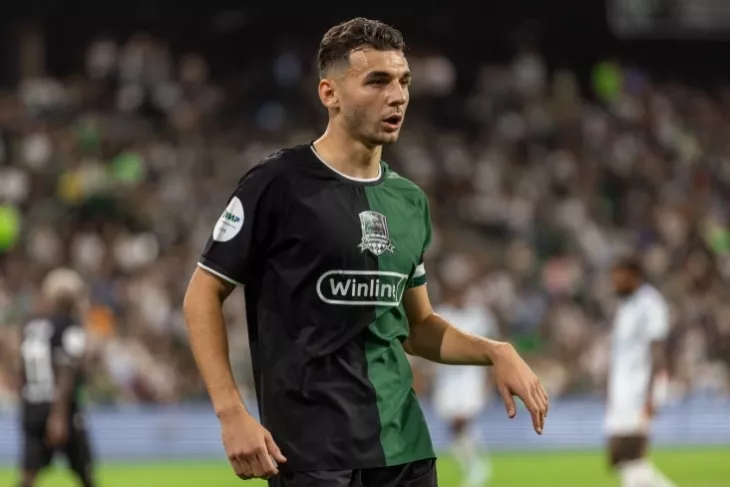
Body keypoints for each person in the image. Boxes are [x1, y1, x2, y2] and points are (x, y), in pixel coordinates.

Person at [183, 17, 549, 487]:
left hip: (405, 452)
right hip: (311, 455)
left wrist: (495, 351)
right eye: (377, 81)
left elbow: (417, 327)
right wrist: (231, 412)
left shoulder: (409, 201)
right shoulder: (277, 185)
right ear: (329, 93)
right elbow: (202, 294)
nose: (397, 96)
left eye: (403, 82)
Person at [18, 268, 95, 487]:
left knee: (28, 475)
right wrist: (58, 416)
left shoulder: (31, 326)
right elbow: (66, 368)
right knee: (85, 473)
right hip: (60, 407)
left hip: (32, 405)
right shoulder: (70, 326)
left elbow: (21, 367)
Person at [606, 256, 675, 487]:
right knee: (618, 458)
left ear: (634, 276)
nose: (614, 283)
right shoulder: (626, 306)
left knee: (631, 454)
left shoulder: (650, 304)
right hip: (623, 391)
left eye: (619, 278)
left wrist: (651, 394)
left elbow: (658, 350)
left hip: (640, 389)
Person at [433, 263, 498, 487]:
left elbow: (492, 347)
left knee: (461, 421)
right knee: (454, 427)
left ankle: (478, 468)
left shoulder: (478, 316)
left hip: (470, 379)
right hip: (447, 379)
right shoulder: (442, 314)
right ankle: (475, 465)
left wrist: (489, 379)